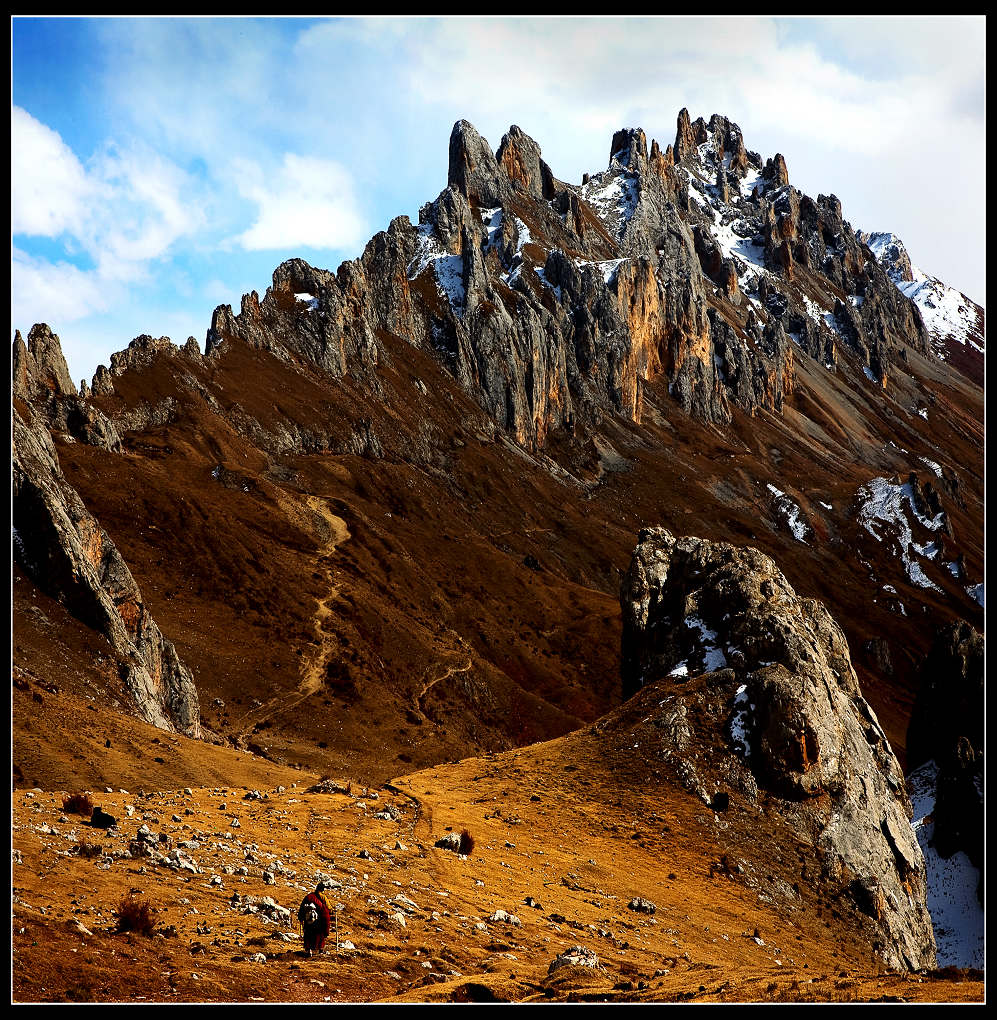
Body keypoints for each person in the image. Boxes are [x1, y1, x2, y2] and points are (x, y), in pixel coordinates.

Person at [298, 882, 332, 956]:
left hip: (308, 920)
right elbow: (328, 908)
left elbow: (302, 907)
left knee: (308, 934)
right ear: (322, 890)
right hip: (318, 921)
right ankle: (320, 949)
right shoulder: (323, 897)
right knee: (320, 935)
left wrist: (300, 917)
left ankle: (308, 949)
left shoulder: (309, 896)